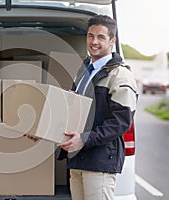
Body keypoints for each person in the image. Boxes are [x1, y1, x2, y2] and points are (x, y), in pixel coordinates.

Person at [58, 15, 138, 200]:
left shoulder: (120, 75)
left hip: (100, 161)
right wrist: (42, 129)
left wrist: (84, 139)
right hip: (78, 158)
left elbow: (121, 122)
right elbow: (73, 110)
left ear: (112, 41)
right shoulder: (85, 71)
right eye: (90, 36)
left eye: (101, 37)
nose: (94, 42)